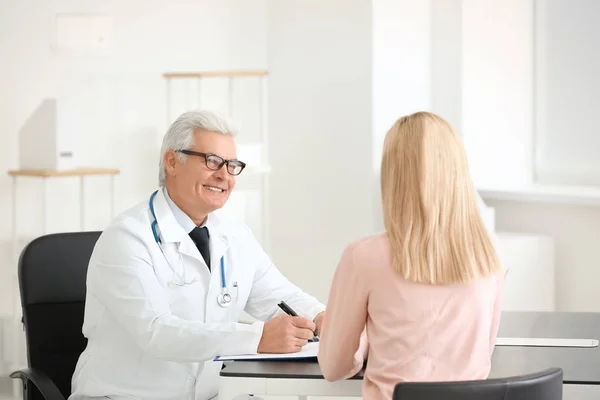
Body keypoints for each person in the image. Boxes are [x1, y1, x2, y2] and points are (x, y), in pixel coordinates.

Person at [69, 110, 326, 400]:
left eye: (232, 165)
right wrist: (258, 338)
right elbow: (156, 332)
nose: (223, 175)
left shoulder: (235, 235)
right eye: (212, 161)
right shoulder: (127, 237)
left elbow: (278, 295)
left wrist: (320, 317)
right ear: (171, 161)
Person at [317, 111, 505, 400]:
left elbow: (333, 368)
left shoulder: (363, 257)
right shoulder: (489, 252)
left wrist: (366, 339)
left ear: (393, 176)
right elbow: (483, 354)